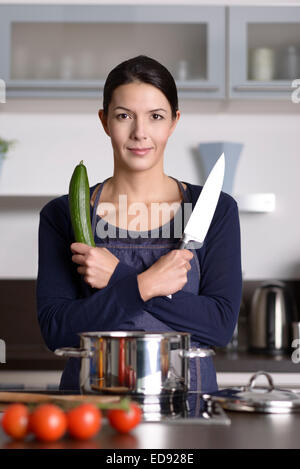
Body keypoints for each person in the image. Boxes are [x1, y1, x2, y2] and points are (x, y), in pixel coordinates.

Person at [36, 55, 242, 393]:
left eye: (156, 117)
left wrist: (119, 279)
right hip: (93, 405)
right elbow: (56, 330)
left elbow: (219, 327)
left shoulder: (214, 210)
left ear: (174, 122)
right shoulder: (63, 215)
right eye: (123, 116)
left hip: (188, 405)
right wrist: (146, 284)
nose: (140, 133)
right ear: (104, 121)